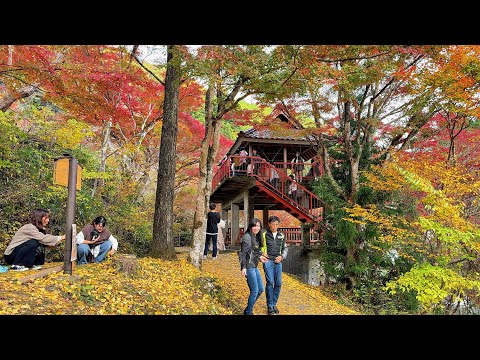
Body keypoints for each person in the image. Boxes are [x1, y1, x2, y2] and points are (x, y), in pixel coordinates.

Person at [239, 217, 268, 315]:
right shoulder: (247, 237)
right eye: (254, 226)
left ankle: (247, 310)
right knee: (255, 290)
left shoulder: (255, 237)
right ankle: (248, 312)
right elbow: (243, 253)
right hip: (248, 266)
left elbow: (254, 252)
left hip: (254, 266)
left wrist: (260, 257)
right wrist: (243, 267)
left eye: (258, 226)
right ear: (251, 226)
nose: (256, 228)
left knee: (260, 289)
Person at [260, 215, 287, 315]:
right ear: (269, 224)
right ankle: (270, 306)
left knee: (278, 283)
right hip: (268, 261)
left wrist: (282, 257)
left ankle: (274, 304)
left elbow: (285, 249)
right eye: (273, 224)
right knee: (270, 282)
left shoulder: (282, 235)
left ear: (278, 225)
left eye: (276, 224)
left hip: (278, 261)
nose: (275, 226)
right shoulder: (264, 234)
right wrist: (262, 253)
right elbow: (259, 246)